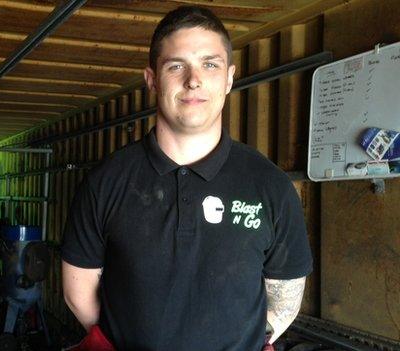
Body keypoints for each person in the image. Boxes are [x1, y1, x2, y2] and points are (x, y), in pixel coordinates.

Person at [61, 5, 313, 350]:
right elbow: (79, 291)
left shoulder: (271, 185)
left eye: (210, 64)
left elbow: (285, 298)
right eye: (176, 65)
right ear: (152, 79)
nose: (193, 79)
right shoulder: (106, 182)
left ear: (228, 78)